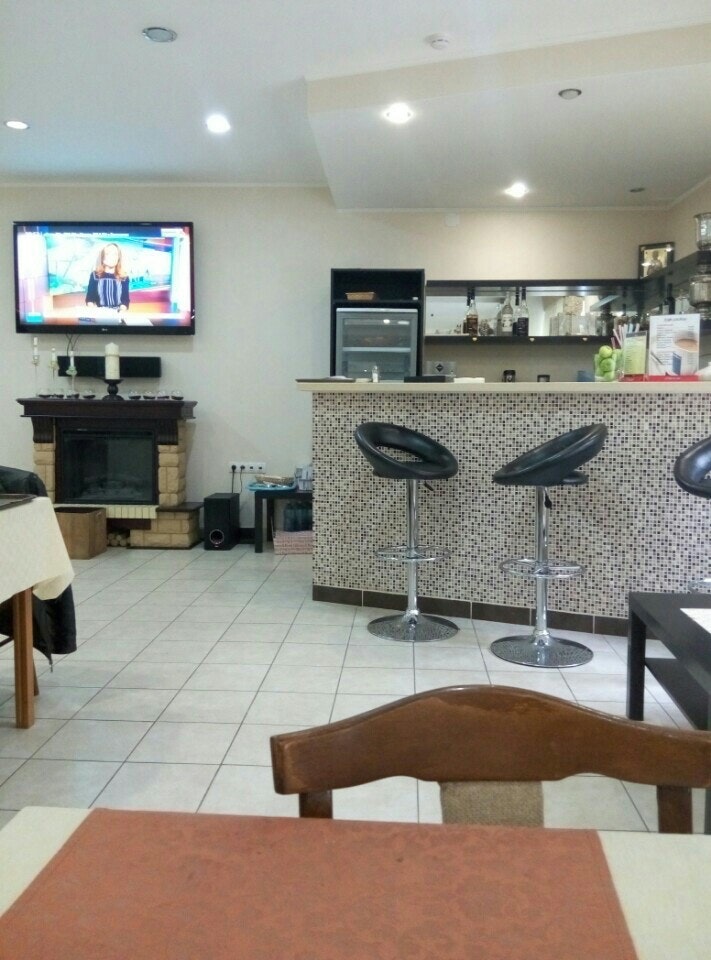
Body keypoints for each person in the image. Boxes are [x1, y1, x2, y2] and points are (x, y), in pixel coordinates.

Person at [85, 242, 129, 310]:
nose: (112, 257)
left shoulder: (124, 277)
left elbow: (125, 301)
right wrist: (94, 311)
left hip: (117, 313)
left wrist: (120, 312)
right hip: (99, 312)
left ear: (118, 258)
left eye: (115, 254)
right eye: (108, 254)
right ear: (103, 258)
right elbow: (90, 299)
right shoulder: (94, 276)